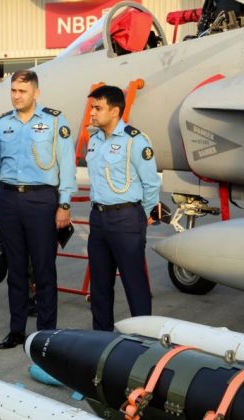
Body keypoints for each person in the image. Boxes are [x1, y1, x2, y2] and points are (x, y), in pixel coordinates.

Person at [0, 70, 77, 349]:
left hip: (42, 200)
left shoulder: (55, 122)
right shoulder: (2, 125)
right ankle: (16, 330)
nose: (16, 96)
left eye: (22, 91)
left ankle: (46, 333)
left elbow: (67, 166)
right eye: (13, 90)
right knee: (16, 269)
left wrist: (64, 204)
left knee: (44, 268)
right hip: (9, 200)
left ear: (36, 93)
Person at [85, 85, 161, 331]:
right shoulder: (95, 140)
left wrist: (144, 214)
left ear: (115, 111)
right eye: (92, 108)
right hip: (98, 219)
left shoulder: (135, 141)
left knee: (134, 283)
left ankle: (143, 340)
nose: (92, 113)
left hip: (126, 218)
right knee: (99, 286)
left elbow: (151, 184)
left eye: (98, 108)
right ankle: (101, 340)